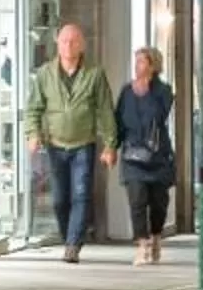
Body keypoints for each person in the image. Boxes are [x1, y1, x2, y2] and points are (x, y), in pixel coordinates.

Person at [26, 22, 117, 262]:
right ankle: (70, 237)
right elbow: (34, 108)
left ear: (82, 45)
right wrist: (33, 134)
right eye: (64, 41)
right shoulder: (45, 74)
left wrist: (110, 144)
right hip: (55, 145)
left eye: (74, 41)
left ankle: (73, 244)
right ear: (57, 44)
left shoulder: (94, 73)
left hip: (83, 144)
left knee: (81, 194)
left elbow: (105, 110)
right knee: (59, 199)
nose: (68, 45)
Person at [115, 47, 177, 265]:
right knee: (137, 200)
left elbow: (158, 116)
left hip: (157, 156)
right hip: (133, 156)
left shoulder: (163, 91)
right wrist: (111, 148)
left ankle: (156, 236)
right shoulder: (126, 92)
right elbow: (119, 122)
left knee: (159, 203)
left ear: (152, 66)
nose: (137, 65)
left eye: (142, 62)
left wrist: (147, 89)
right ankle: (142, 245)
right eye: (136, 61)